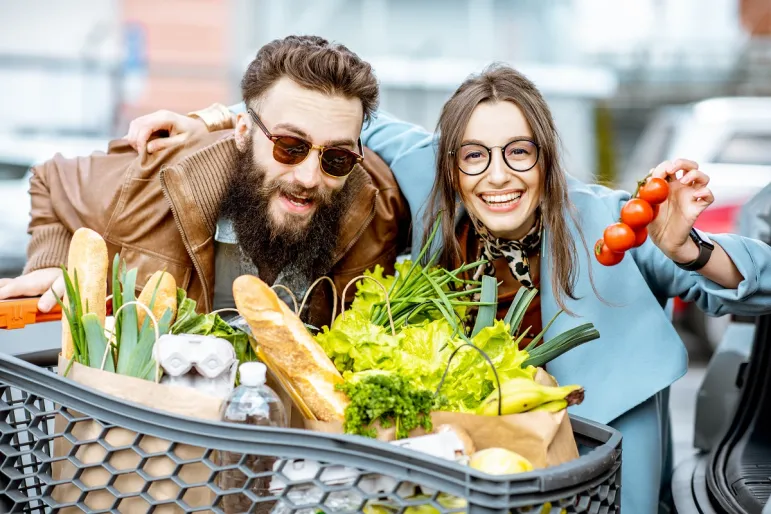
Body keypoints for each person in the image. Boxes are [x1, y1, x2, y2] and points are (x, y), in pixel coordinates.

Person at [121, 63, 771, 514]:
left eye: (519, 153)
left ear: (544, 158)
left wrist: (688, 247)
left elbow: (750, 289)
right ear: (451, 165)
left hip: (598, 475)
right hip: (463, 470)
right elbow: (342, 115)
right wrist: (210, 118)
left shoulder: (611, 223)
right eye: (474, 155)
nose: (497, 176)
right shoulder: (428, 186)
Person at [0, 35, 411, 329]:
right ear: (243, 131)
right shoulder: (151, 180)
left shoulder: (384, 204)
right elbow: (49, 181)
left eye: (336, 158)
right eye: (289, 146)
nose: (308, 177)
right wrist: (52, 262)